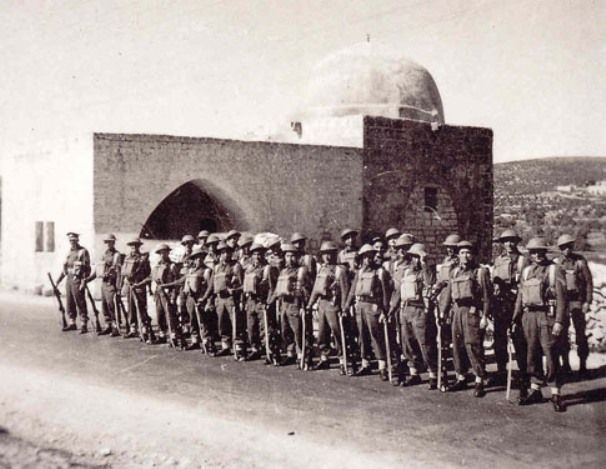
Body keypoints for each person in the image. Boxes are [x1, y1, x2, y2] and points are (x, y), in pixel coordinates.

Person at [513, 237, 567, 412]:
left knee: (551, 354)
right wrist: (515, 319)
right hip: (528, 317)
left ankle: (555, 392)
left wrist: (559, 321)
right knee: (531, 354)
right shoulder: (527, 271)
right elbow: (520, 297)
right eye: (533, 252)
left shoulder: (554, 270)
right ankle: (536, 389)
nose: (536, 255)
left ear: (545, 252)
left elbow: (561, 298)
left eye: (540, 251)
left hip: (547, 317)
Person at [441, 240, 492, 397]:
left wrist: (485, 316)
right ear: (458, 255)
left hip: (472, 312)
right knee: (457, 346)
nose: (465, 255)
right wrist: (443, 311)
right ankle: (461, 376)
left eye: (468, 252)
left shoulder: (480, 272)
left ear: (473, 255)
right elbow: (449, 293)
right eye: (462, 252)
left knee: (473, 346)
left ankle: (479, 379)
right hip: (457, 312)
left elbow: (487, 296)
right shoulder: (454, 272)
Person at [391, 243, 438, 389]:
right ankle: (414, 373)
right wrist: (391, 310)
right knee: (408, 343)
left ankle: (433, 374)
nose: (415, 260)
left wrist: (425, 264)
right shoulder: (406, 272)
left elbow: (430, 282)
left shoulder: (427, 271)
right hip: (406, 310)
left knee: (425, 344)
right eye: (413, 257)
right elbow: (399, 293)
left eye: (418, 257)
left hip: (420, 311)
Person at [343, 244, 392, 380]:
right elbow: (352, 291)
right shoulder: (359, 273)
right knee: (362, 336)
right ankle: (366, 363)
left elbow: (385, 293)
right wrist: (346, 307)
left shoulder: (380, 272)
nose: (368, 260)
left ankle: (382, 366)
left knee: (376, 336)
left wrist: (384, 311)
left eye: (370, 256)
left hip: (373, 306)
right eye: (365, 257)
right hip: (360, 306)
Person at [491, 229, 529, 387]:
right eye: (505, 241)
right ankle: (501, 371)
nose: (508, 244)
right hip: (500, 303)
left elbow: (525, 284)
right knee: (499, 338)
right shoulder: (498, 260)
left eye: (511, 240)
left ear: (516, 242)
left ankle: (524, 374)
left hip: (516, 302)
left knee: (519, 339)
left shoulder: (523, 260)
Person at [554, 233, 593, 377]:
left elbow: (589, 282)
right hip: (562, 302)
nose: (567, 250)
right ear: (560, 248)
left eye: (569, 247)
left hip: (577, 301)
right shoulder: (556, 263)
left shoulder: (580, 261)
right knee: (562, 334)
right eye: (563, 247)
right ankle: (566, 364)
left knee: (580, 334)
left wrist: (587, 301)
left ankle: (583, 364)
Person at [307, 241, 350, 374]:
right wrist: (310, 304)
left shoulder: (340, 271)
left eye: (330, 254)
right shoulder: (322, 269)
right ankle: (324, 358)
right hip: (322, 305)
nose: (327, 257)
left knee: (338, 334)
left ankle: (343, 360)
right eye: (325, 254)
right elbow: (315, 289)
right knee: (321, 334)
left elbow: (345, 291)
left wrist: (344, 308)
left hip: (333, 305)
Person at [268, 243, 311, 368]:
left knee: (297, 332)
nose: (290, 259)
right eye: (287, 256)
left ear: (297, 257)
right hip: (283, 305)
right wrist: (269, 302)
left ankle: (301, 356)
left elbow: (305, 289)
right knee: (285, 331)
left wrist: (303, 305)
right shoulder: (283, 272)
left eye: (293, 256)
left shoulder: (300, 271)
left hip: (294, 304)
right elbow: (277, 289)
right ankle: (290, 354)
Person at [201, 241, 244, 358]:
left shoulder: (236, 266)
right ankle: (226, 346)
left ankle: (238, 349)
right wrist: (205, 298)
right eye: (222, 252)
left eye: (227, 252)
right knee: (222, 324)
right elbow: (211, 285)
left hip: (231, 299)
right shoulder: (217, 267)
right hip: (219, 300)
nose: (225, 255)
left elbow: (242, 284)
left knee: (235, 323)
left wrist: (237, 294)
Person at [242, 243, 275, 361]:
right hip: (250, 301)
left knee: (265, 328)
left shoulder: (267, 269)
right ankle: (255, 349)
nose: (257, 257)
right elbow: (244, 286)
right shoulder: (249, 269)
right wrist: (244, 301)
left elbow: (272, 288)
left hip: (262, 302)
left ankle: (268, 351)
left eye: (260, 254)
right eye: (255, 254)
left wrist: (269, 302)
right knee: (251, 328)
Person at [84, 234, 122, 336]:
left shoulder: (117, 255)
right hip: (104, 283)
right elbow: (98, 270)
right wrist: (88, 280)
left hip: (111, 283)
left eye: (111, 242)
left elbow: (118, 273)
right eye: (107, 242)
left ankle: (115, 327)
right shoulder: (104, 254)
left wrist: (118, 288)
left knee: (111, 305)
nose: (109, 244)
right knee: (104, 306)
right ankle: (108, 325)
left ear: (114, 243)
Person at [55, 232, 91, 333]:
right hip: (69, 279)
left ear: (77, 240)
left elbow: (87, 268)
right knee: (69, 302)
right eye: (71, 241)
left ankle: (84, 323)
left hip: (78, 279)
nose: (72, 242)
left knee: (80, 302)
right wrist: (57, 281)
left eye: (74, 240)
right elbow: (65, 269)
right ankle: (72, 323)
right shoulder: (69, 253)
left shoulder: (83, 252)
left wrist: (84, 281)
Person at [121, 238, 152, 340]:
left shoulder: (143, 259)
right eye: (132, 245)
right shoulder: (127, 258)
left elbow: (148, 274)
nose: (133, 247)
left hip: (139, 285)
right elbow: (123, 272)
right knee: (131, 307)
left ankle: (144, 329)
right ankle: (133, 328)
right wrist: (122, 286)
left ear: (139, 246)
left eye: (136, 245)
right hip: (130, 285)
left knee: (141, 307)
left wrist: (149, 288)